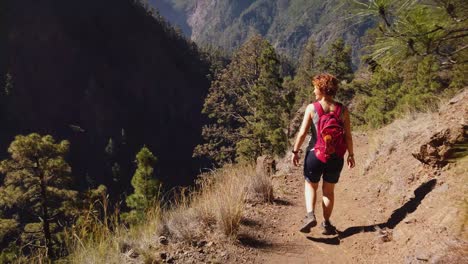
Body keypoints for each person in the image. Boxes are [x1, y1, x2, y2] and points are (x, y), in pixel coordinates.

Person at [291, 73, 355, 235]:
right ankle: (326, 224)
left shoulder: (312, 108)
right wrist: (351, 155)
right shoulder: (343, 110)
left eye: (315, 88)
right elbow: (348, 135)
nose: (313, 91)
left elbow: (302, 133)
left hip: (315, 155)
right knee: (328, 191)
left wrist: (295, 151)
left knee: (311, 185)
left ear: (321, 89)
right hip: (336, 157)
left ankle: (310, 215)